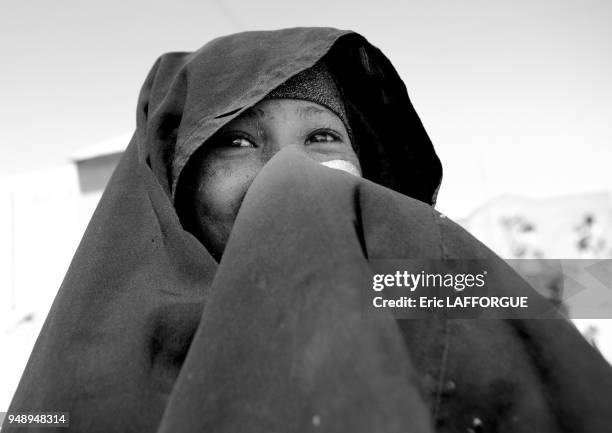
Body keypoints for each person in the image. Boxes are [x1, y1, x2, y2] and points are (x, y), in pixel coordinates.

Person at [4, 27, 612, 433]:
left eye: (321, 137)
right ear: (178, 179)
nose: (287, 172)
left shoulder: (406, 286)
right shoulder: (101, 354)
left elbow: (545, 290)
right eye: (237, 141)